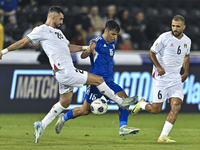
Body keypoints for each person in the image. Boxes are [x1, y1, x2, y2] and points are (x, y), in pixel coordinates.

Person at [0, 6, 138, 143]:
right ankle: (120, 101)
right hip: (65, 71)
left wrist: (86, 48)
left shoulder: (58, 33)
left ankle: (41, 124)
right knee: (98, 79)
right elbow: (24, 41)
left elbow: (69, 47)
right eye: (60, 19)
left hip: (65, 71)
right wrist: (4, 51)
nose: (62, 22)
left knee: (65, 102)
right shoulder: (41, 30)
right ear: (53, 17)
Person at [55, 19, 139, 136]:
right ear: (106, 31)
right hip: (95, 81)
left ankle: (123, 127)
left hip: (109, 81)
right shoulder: (96, 41)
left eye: (116, 34)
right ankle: (63, 118)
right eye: (113, 34)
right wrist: (89, 50)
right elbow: (83, 56)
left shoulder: (113, 42)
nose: (115, 37)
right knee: (85, 110)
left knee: (124, 100)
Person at [131, 15, 191, 143]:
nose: (175, 28)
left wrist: (185, 72)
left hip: (175, 78)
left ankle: (163, 136)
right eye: (173, 26)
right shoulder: (164, 37)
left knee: (176, 106)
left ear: (183, 27)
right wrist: (158, 67)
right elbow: (151, 53)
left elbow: (186, 56)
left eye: (178, 26)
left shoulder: (188, 41)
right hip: (161, 78)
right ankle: (141, 104)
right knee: (155, 110)